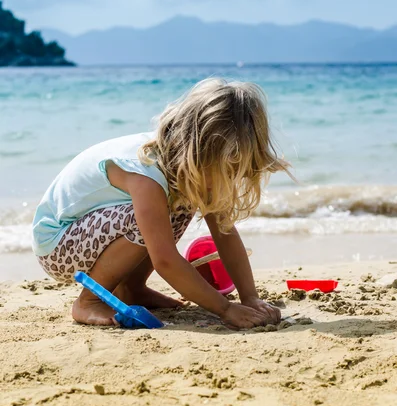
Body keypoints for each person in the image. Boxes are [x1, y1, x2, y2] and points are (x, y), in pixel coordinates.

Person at [32, 78, 291, 329]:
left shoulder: (186, 169)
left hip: (87, 238)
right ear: (197, 150)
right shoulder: (146, 173)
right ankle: (89, 300)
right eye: (226, 168)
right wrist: (225, 309)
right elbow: (165, 260)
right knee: (142, 218)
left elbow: (224, 232)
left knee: (182, 203)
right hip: (58, 247)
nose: (231, 177)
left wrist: (250, 297)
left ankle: (132, 289)